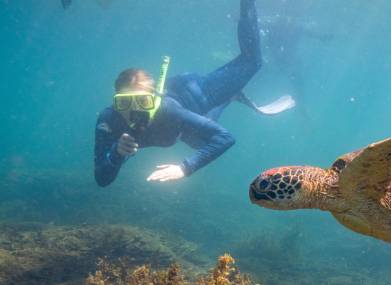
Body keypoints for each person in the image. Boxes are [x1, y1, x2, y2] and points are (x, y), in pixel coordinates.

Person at [94, 0, 294, 187]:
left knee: (252, 63)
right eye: (124, 103)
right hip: (179, 131)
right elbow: (102, 179)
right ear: (115, 102)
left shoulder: (168, 109)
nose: (134, 110)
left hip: (198, 92)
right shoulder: (109, 121)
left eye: (142, 101)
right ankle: (230, 95)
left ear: (154, 97)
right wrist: (116, 154)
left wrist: (184, 168)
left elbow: (225, 138)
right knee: (199, 143)